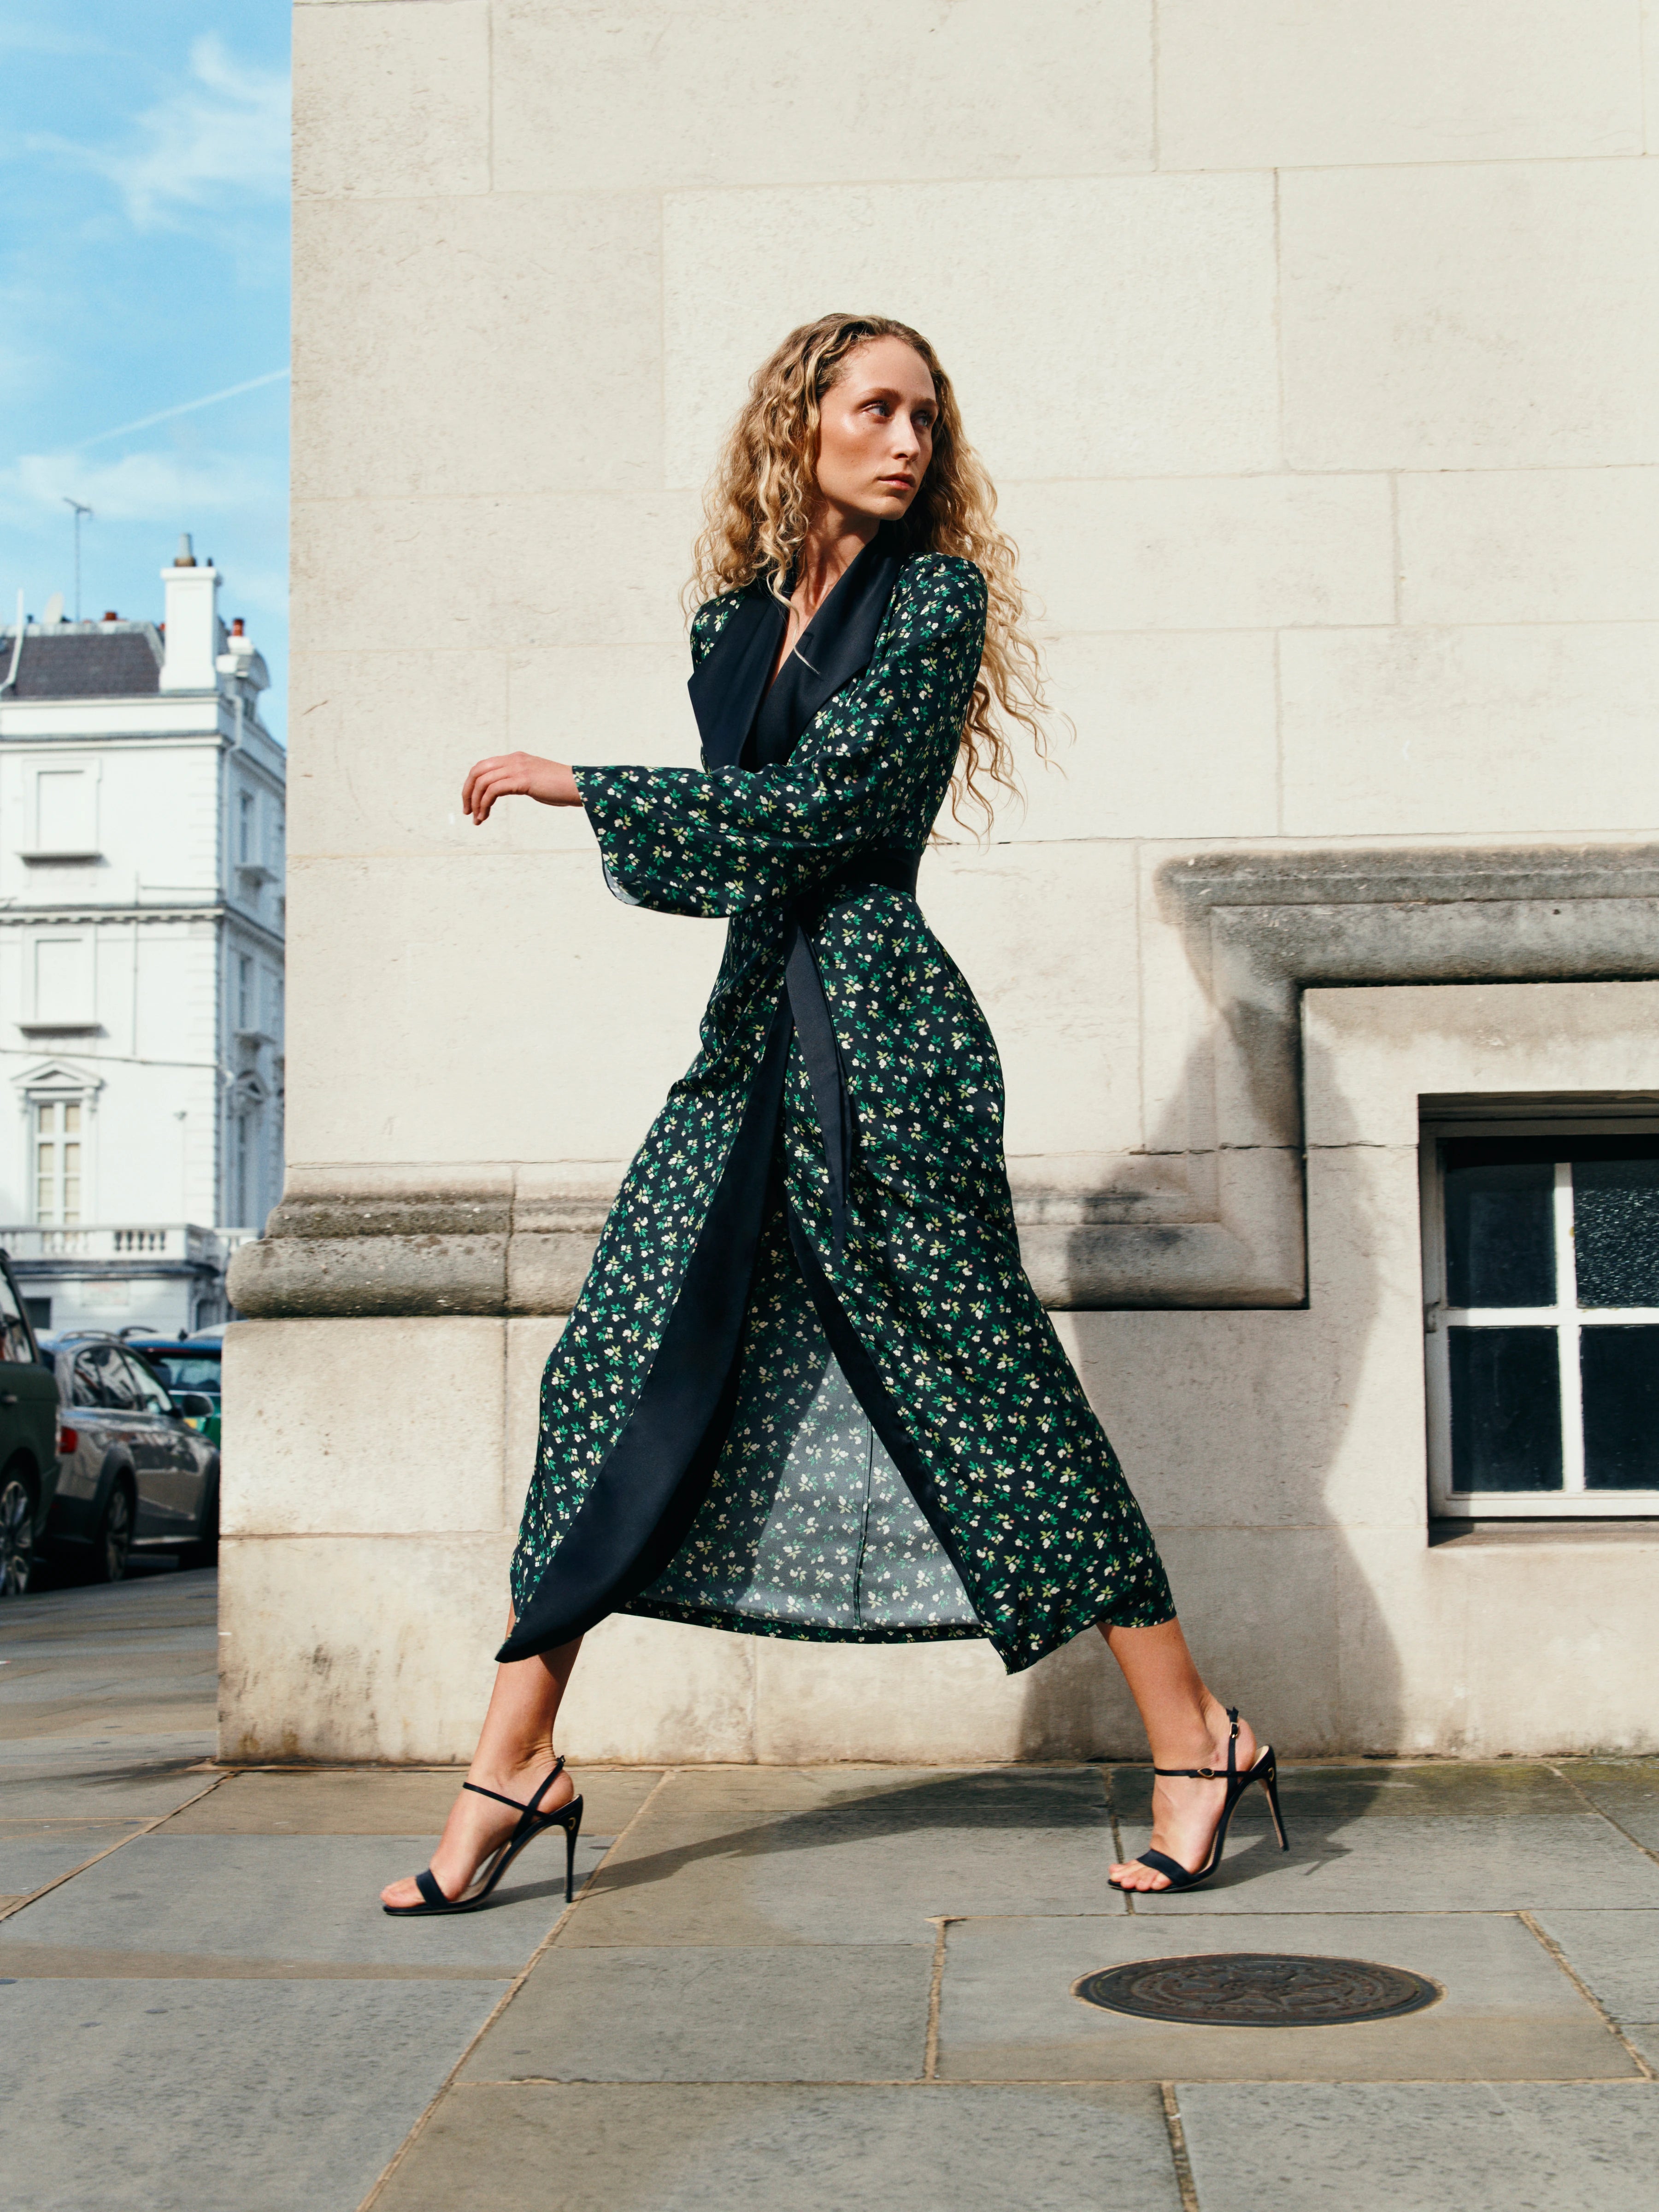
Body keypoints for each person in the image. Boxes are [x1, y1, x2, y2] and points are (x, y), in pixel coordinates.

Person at [381, 313, 1285, 1917]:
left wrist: (591, 785)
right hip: (751, 1045)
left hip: (885, 1048)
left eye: (927, 418)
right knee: (609, 1371)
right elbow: (754, 834)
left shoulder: (937, 602)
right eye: (876, 409)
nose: (909, 441)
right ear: (800, 424)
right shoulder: (733, 625)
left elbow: (825, 814)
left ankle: (1197, 1734)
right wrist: (661, 804)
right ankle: (513, 1762)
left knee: (994, 1396)